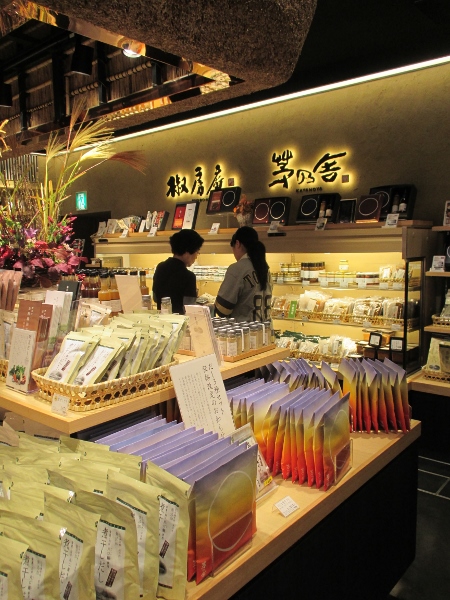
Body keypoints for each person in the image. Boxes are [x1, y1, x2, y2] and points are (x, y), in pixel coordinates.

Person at [215, 226, 272, 322]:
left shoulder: (237, 268)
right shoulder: (265, 269)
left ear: (237, 244)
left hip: (244, 329)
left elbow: (223, 309)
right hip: (266, 328)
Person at [152, 229, 204, 314]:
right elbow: (189, 308)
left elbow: (155, 298)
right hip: (181, 320)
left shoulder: (160, 267)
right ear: (187, 252)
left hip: (162, 318)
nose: (196, 256)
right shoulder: (188, 276)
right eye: (197, 251)